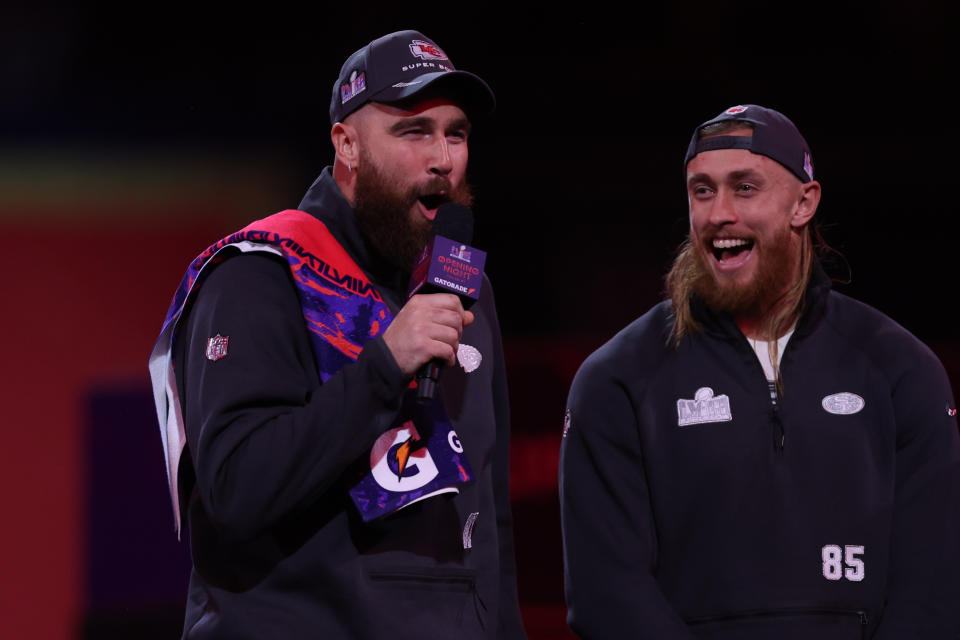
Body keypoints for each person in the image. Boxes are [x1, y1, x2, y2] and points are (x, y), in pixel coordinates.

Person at [148, 30, 527, 639]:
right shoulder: (260, 273)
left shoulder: (465, 293)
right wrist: (384, 365)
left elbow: (491, 521)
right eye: (413, 132)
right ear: (346, 145)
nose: (443, 159)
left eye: (455, 134)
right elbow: (237, 491)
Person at [559, 104, 960, 638]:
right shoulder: (619, 380)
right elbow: (606, 595)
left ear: (804, 203)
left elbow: (933, 586)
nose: (719, 213)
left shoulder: (900, 370)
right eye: (702, 191)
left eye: (744, 188)